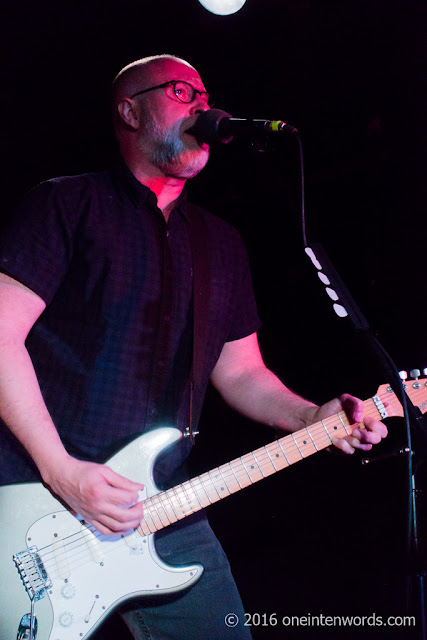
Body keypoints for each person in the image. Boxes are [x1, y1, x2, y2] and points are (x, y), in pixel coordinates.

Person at [0, 55, 387, 639]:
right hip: (36, 492)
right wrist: (63, 471)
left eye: (206, 96)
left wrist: (313, 416)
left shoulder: (220, 243)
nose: (203, 106)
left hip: (163, 503)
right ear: (129, 111)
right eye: (182, 92)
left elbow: (242, 375)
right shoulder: (65, 205)